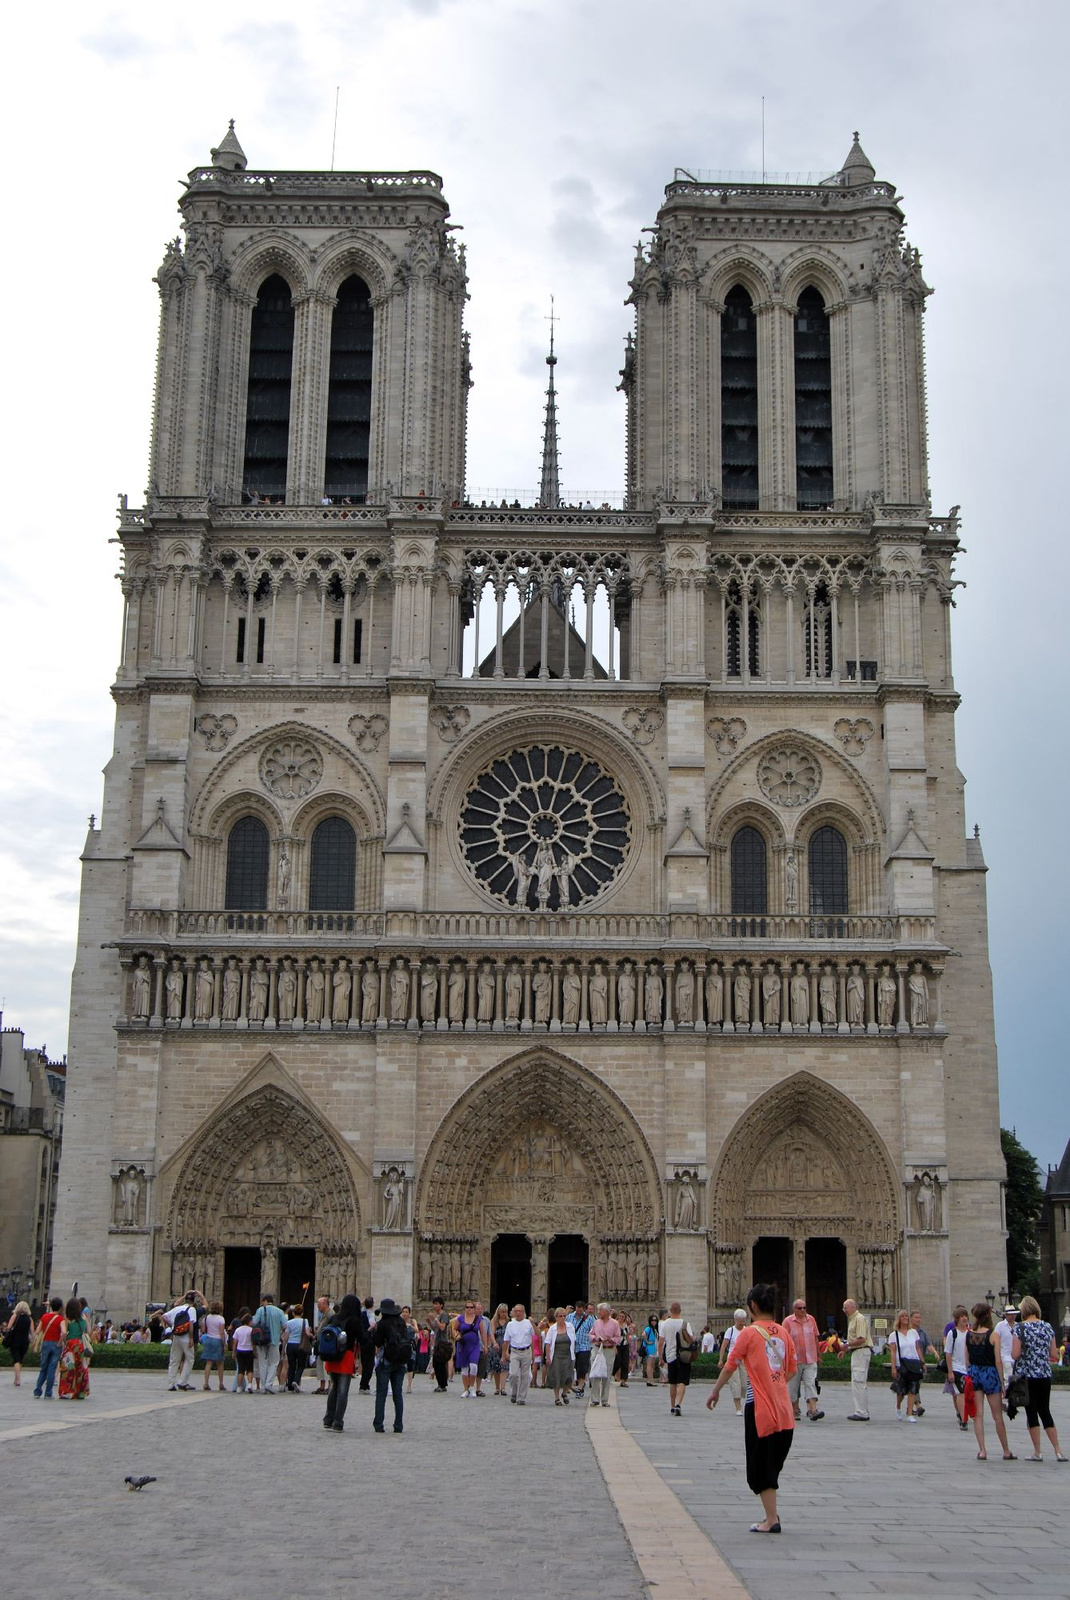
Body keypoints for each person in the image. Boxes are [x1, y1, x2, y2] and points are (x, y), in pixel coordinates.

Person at [706, 1283, 797, 1534]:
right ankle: (771, 1515)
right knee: (771, 1462)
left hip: (759, 1408)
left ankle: (771, 1520)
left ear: (753, 1306)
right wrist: (775, 1383)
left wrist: (715, 1392)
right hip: (784, 1410)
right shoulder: (784, 1332)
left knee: (760, 1465)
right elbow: (791, 1370)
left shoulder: (748, 1333)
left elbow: (730, 1365)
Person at [1010, 1294, 1067, 1462]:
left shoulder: (1019, 1329)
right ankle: (1058, 1451)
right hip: (1044, 1375)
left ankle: (1038, 1451)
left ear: (1024, 1310)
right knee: (1045, 1411)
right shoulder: (1047, 1327)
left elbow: (1015, 1354)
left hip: (1026, 1376)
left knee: (1031, 1412)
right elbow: (1054, 1354)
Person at [966, 1301, 1014, 1460]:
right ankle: (1006, 1451)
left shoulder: (969, 1334)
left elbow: (967, 1360)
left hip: (975, 1373)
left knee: (978, 1415)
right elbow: (998, 1361)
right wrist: (1002, 1383)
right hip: (990, 1374)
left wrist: (970, 1374)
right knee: (997, 1416)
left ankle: (982, 1450)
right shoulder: (993, 1335)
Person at [322, 1294, 364, 1433]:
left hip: (333, 1356)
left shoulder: (335, 1317)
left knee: (334, 1388)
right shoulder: (354, 1320)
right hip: (346, 1356)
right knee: (342, 1391)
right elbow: (363, 1339)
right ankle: (338, 1422)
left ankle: (328, 1419)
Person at [372, 1297, 410, 1434]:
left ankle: (379, 1424)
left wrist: (373, 1331)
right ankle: (398, 1425)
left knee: (381, 1394)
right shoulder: (401, 1322)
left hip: (386, 1361)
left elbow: (377, 1342)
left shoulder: (382, 1324)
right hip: (400, 1361)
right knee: (397, 1394)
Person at [783, 1298, 824, 1421]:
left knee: (811, 1383)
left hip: (810, 1358)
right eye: (800, 1308)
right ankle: (795, 1410)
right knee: (793, 1387)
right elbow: (784, 1340)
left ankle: (813, 1410)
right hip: (794, 1360)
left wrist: (818, 1355)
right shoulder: (788, 1321)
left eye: (804, 1308)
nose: (803, 1310)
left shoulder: (811, 1319)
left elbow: (816, 1338)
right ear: (794, 1309)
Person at [658, 1300, 694, 1416]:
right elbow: (691, 1339)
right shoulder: (685, 1324)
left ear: (670, 1311)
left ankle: (672, 1406)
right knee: (682, 1381)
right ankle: (679, 1404)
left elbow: (661, 1342)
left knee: (673, 1382)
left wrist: (660, 1358)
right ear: (680, 1311)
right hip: (683, 1356)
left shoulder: (665, 1324)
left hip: (670, 1356)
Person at [888, 1308, 925, 1422]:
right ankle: (898, 1407)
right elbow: (893, 1352)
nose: (905, 1318)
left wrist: (922, 1362)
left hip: (913, 1363)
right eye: (902, 1316)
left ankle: (910, 1413)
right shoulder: (894, 1335)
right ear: (898, 1319)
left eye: (906, 1316)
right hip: (902, 1364)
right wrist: (893, 1367)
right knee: (901, 1390)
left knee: (913, 1388)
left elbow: (917, 1348)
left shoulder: (913, 1332)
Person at [58, 1296, 93, 1401]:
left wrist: (63, 1343)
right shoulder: (84, 1318)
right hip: (81, 1345)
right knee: (81, 1369)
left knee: (68, 1368)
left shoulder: (68, 1319)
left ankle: (67, 1391)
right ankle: (81, 1392)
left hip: (70, 1346)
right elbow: (89, 1331)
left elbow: (64, 1332)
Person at [251, 1293, 286, 1394]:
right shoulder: (279, 1311)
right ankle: (269, 1383)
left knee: (262, 1363)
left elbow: (254, 1323)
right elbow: (284, 1326)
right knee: (274, 1362)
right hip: (274, 1340)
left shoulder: (260, 1310)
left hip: (261, 1340)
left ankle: (262, 1386)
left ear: (265, 1301)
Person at [843, 1297, 872, 1421]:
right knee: (858, 1382)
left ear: (853, 1307)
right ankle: (862, 1410)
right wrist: (847, 1349)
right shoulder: (853, 1319)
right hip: (857, 1352)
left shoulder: (859, 1319)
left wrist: (847, 1345)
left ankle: (861, 1412)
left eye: (845, 1307)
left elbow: (861, 1338)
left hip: (861, 1352)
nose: (843, 1310)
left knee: (858, 1382)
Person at [589, 1302, 621, 1407]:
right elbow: (591, 1334)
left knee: (606, 1375)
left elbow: (618, 1338)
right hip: (597, 1349)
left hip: (608, 1349)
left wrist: (610, 1340)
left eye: (600, 1310)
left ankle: (605, 1399)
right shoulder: (596, 1322)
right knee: (595, 1374)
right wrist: (595, 1338)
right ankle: (595, 1399)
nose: (598, 1312)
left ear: (607, 1312)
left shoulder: (615, 1323)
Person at [452, 1299, 486, 1398]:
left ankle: (471, 1387)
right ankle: (466, 1389)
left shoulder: (478, 1319)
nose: (469, 1309)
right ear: (464, 1308)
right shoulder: (460, 1319)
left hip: (474, 1345)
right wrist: (456, 1335)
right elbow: (454, 1328)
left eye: (471, 1307)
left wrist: (485, 1345)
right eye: (467, 1307)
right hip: (463, 1345)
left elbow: (483, 1332)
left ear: (474, 1309)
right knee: (465, 1368)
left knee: (474, 1366)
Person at [33, 1296, 66, 1399]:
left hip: (46, 1343)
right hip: (56, 1344)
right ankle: (48, 1393)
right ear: (60, 1308)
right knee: (52, 1368)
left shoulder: (44, 1317)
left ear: (51, 1306)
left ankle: (37, 1391)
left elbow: (37, 1331)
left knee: (43, 1368)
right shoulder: (61, 1319)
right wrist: (60, 1342)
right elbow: (64, 1332)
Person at [164, 1293, 198, 1391]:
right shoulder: (192, 1310)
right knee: (190, 1359)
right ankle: (182, 1382)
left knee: (174, 1360)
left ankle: (170, 1384)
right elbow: (191, 1324)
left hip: (176, 1336)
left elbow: (164, 1317)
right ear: (193, 1301)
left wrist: (173, 1327)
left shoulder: (176, 1309)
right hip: (186, 1336)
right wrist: (191, 1338)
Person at [503, 1303, 536, 1404]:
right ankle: (514, 1392)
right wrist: (504, 1353)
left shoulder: (528, 1323)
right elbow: (506, 1340)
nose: (518, 1313)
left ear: (523, 1312)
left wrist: (534, 1353)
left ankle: (521, 1398)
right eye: (516, 1311)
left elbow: (534, 1337)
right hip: (514, 1351)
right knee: (513, 1374)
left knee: (525, 1375)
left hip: (526, 1350)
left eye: (520, 1311)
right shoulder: (510, 1324)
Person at [943, 1306, 970, 1427]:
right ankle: (964, 1419)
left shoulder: (970, 1333)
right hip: (956, 1367)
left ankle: (963, 1413)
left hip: (968, 1369)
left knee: (969, 1394)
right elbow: (948, 1353)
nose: (964, 1318)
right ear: (957, 1319)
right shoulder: (952, 1333)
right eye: (962, 1316)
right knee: (960, 1393)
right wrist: (950, 1372)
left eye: (966, 1316)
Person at [544, 1306, 577, 1405]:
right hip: (556, 1355)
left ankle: (564, 1392)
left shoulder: (570, 1327)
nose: (562, 1318)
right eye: (560, 1316)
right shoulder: (552, 1329)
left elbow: (574, 1341)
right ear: (556, 1317)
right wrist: (548, 1356)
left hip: (568, 1354)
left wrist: (574, 1354)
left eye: (564, 1316)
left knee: (568, 1376)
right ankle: (557, 1397)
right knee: (556, 1376)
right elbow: (548, 1343)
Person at [720, 1309, 749, 1417]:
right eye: (739, 1321)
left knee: (744, 1385)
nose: (741, 1323)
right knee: (735, 1383)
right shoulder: (730, 1331)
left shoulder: (747, 1330)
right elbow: (724, 1345)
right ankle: (738, 1407)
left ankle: (741, 1400)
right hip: (732, 1359)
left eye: (743, 1321)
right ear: (735, 1320)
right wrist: (721, 1359)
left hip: (744, 1360)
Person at [3, 1300, 34, 1387]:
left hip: (15, 1341)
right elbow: (32, 1331)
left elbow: (8, 1327)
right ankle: (16, 1378)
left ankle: (18, 1379)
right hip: (25, 1342)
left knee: (16, 1360)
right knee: (20, 1360)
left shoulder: (15, 1316)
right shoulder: (29, 1318)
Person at [200, 1300, 228, 1392]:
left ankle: (206, 1383)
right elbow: (221, 1332)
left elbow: (203, 1329)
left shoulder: (207, 1318)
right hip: (217, 1340)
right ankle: (221, 1383)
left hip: (208, 1339)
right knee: (220, 1363)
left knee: (209, 1362)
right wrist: (224, 1344)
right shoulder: (221, 1319)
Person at [993, 1303, 1019, 1400]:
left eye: (1014, 1314)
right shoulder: (1000, 1326)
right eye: (1011, 1314)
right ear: (1006, 1315)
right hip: (1005, 1355)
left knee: (1016, 1378)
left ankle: (1012, 1396)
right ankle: (1008, 1398)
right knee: (1008, 1377)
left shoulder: (1017, 1326)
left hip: (1015, 1356)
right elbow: (996, 1340)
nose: (1013, 1316)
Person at [284, 1303, 311, 1392]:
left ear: (293, 1313)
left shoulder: (289, 1322)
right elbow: (307, 1333)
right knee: (301, 1365)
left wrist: (284, 1347)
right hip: (300, 1345)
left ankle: (290, 1385)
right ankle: (296, 1380)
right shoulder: (304, 1321)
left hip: (290, 1345)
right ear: (302, 1313)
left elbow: (286, 1336)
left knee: (291, 1366)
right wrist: (311, 1334)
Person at [571, 1302, 595, 1397]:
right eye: (577, 1310)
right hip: (572, 1347)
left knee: (582, 1367)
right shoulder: (569, 1317)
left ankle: (580, 1388)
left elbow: (593, 1331)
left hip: (584, 1346)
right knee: (574, 1367)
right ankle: (575, 1384)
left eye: (581, 1310)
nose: (579, 1312)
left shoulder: (589, 1319)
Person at [429, 1297, 452, 1392]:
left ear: (441, 1305)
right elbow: (436, 1329)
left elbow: (442, 1327)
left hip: (442, 1343)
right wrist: (428, 1321)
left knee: (441, 1364)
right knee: (436, 1364)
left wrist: (435, 1319)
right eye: (434, 1304)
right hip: (437, 1343)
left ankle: (443, 1384)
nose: (435, 1306)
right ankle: (440, 1383)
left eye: (437, 1304)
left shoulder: (444, 1315)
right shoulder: (438, 1316)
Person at [487, 1303, 510, 1395]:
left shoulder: (509, 1322)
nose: (504, 1314)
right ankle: (497, 1387)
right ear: (498, 1312)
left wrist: (507, 1350)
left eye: (505, 1312)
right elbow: (491, 1333)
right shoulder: (494, 1321)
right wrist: (494, 1343)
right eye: (502, 1312)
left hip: (506, 1345)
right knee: (496, 1368)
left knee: (504, 1367)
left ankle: (503, 1388)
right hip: (496, 1346)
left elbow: (510, 1336)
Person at [357, 1295, 377, 1393]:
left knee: (364, 1363)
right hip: (369, 1341)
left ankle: (363, 1385)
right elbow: (372, 1325)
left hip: (362, 1341)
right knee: (369, 1364)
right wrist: (368, 1331)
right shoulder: (370, 1314)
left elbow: (358, 1308)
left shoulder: (361, 1313)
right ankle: (364, 1386)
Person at [232, 1312, 255, 1393]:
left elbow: (235, 1341)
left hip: (240, 1350)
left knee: (241, 1369)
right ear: (249, 1321)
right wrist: (254, 1351)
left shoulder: (238, 1330)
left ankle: (239, 1386)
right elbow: (253, 1342)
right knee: (250, 1368)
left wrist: (233, 1352)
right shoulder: (251, 1330)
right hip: (249, 1350)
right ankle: (249, 1384)